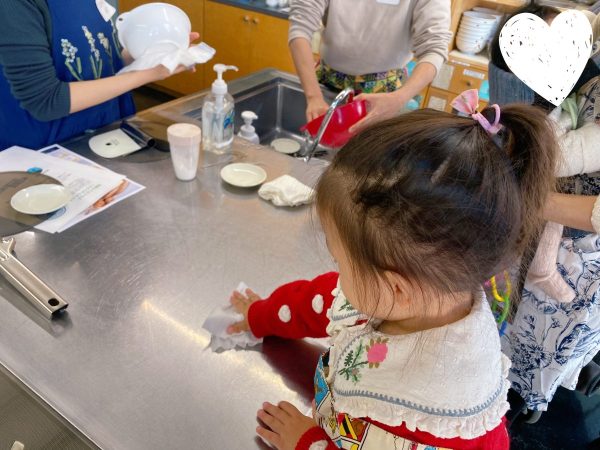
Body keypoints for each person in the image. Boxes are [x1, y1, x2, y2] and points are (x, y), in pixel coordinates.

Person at [226, 91, 557, 449]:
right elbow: (318, 301)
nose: (338, 278)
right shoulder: (416, 290)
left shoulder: (447, 416)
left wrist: (307, 443)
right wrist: (261, 315)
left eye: (340, 262)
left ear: (397, 289)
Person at [488, 3, 600, 415]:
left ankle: (524, 400)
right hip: (533, 228)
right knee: (507, 324)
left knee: (546, 349)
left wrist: (530, 192)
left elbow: (563, 155)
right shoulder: (580, 46)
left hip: (581, 254)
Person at [0, 0, 196, 150]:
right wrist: (150, 73)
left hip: (105, 136)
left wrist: (151, 54)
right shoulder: (14, 6)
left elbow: (103, 56)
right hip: (44, 156)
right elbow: (46, 100)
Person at [288, 0, 452, 131]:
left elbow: (434, 50)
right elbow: (300, 28)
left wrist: (399, 98)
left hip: (386, 97)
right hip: (326, 85)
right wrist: (314, 97)